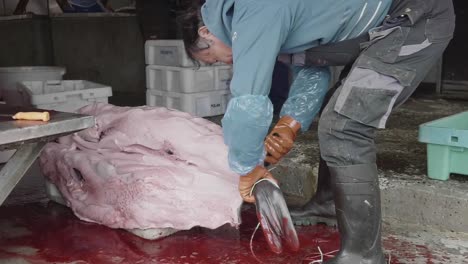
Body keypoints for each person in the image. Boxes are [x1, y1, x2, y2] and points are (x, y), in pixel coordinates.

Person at [180, 0, 455, 263]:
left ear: (206, 32)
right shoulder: (255, 16)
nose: (220, 63)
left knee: (344, 127)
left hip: (415, 19)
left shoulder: (252, 12)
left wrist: (247, 166)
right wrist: (289, 125)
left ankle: (363, 256)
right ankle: (328, 204)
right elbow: (313, 68)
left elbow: (248, 102)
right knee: (338, 115)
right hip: (393, 22)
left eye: (210, 58)